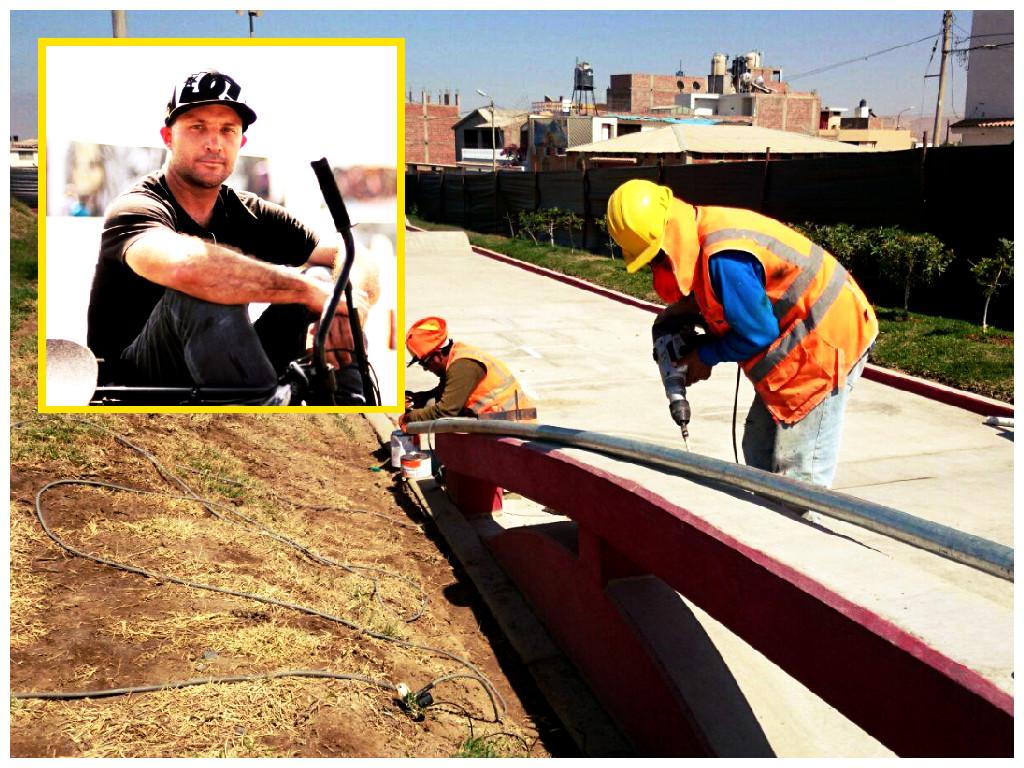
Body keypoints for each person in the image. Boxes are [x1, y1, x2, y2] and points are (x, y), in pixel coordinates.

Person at [86, 70, 378, 401]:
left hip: (213, 370)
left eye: (227, 130)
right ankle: (265, 412)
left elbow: (352, 252)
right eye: (198, 127)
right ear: (168, 136)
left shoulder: (245, 210)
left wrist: (347, 307)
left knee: (329, 276)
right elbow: (187, 268)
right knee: (201, 291)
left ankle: (347, 404)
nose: (214, 143)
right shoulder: (137, 206)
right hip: (139, 383)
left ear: (241, 141)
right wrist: (311, 292)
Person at [606, 179, 878, 489]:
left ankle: (797, 529)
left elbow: (758, 333)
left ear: (667, 240)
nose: (656, 266)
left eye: (655, 258)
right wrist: (687, 316)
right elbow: (731, 305)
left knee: (802, 480)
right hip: (800, 335)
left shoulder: (723, 259)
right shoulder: (699, 235)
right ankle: (771, 518)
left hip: (828, 339)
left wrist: (704, 355)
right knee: (758, 449)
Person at [400, 316, 536, 429]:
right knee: (430, 406)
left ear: (437, 355)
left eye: (424, 363)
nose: (425, 369)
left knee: (444, 421)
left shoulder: (463, 366)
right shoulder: (455, 355)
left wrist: (409, 418)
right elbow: (443, 394)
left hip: (514, 426)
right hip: (500, 420)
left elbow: (445, 411)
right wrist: (413, 399)